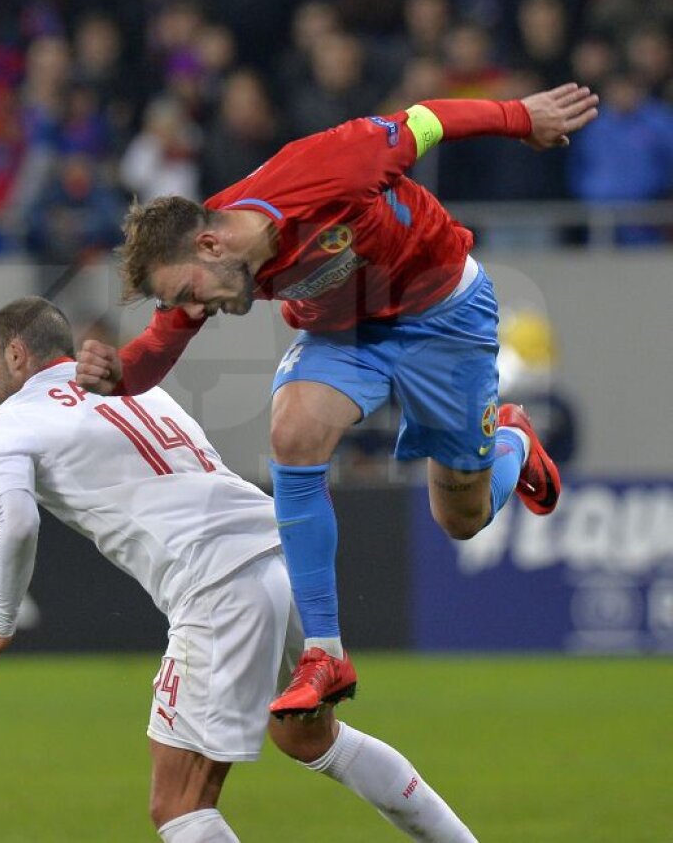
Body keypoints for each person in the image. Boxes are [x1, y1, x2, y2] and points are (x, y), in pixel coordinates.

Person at [74, 83, 598, 716]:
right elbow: (156, 351)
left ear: (210, 245)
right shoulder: (203, 264)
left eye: (188, 291)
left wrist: (520, 118)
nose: (191, 308)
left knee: (462, 517)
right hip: (345, 330)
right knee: (292, 434)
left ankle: (513, 438)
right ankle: (325, 653)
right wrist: (118, 376)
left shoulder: (322, 170)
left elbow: (423, 121)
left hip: (444, 314)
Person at [0, 297, 476, 843]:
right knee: (312, 739)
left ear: (17, 354)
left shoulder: (9, 425)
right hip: (283, 556)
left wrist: (2, 621)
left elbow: (17, 522)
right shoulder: (136, 387)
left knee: (178, 805)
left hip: (215, 584)